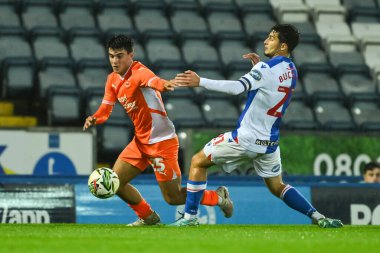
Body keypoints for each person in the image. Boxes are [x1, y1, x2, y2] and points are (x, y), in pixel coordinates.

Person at [171, 24, 343, 228]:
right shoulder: (291, 70)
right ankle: (318, 217)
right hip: (269, 142)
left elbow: (237, 88)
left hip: (246, 138)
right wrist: (258, 69)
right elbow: (271, 85)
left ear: (283, 46)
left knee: (198, 162)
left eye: (272, 38)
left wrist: (201, 81)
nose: (266, 41)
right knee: (277, 186)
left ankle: (190, 218)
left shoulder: (265, 69)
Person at [83, 35, 233, 226]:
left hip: (162, 142)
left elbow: (153, 81)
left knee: (174, 197)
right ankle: (148, 217)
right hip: (140, 142)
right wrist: (95, 117)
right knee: (115, 182)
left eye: (119, 56)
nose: (115, 61)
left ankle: (219, 197)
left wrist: (165, 84)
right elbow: (105, 110)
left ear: (131, 55)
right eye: (111, 56)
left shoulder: (139, 72)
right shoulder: (112, 80)